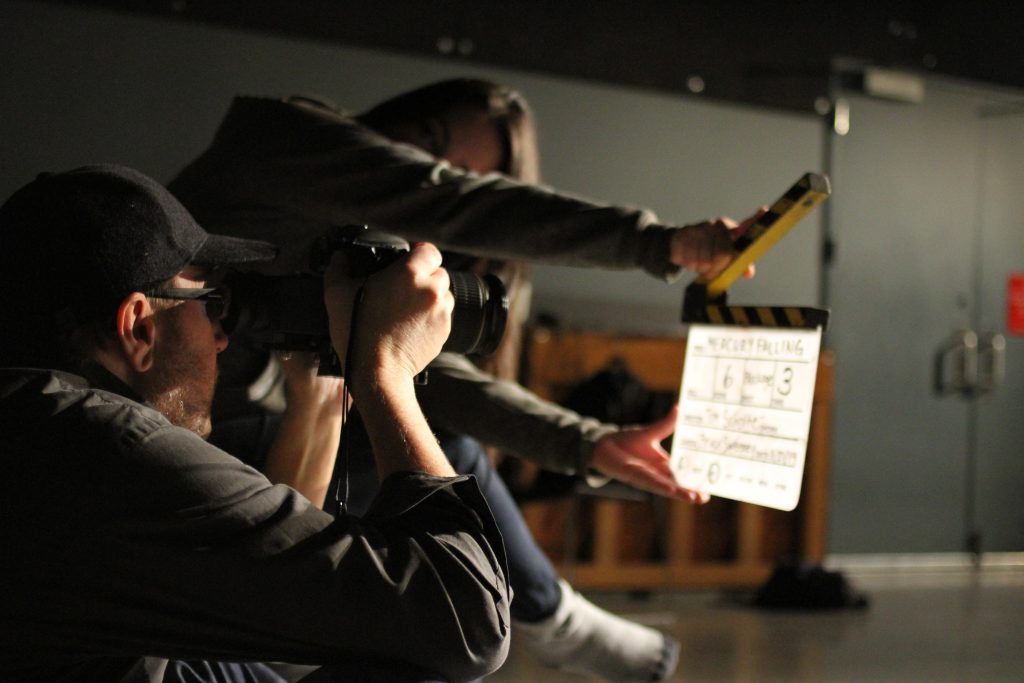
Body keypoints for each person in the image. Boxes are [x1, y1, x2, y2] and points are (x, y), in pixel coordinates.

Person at [172, 79, 741, 683]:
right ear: (399, 112)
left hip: (240, 445)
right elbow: (448, 200)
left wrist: (589, 444)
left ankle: (555, 618)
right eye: (431, 144)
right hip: (182, 439)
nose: (437, 169)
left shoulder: (347, 248)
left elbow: (430, 373)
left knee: (449, 465)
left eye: (466, 169)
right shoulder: (289, 137)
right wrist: (663, 244)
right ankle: (557, 619)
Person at [0, 165, 511, 682]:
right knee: (425, 656)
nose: (222, 338)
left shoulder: (37, 423)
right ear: (137, 327)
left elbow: (273, 590)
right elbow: (469, 621)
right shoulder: (109, 451)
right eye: (209, 304)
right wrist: (385, 371)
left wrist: (319, 398)